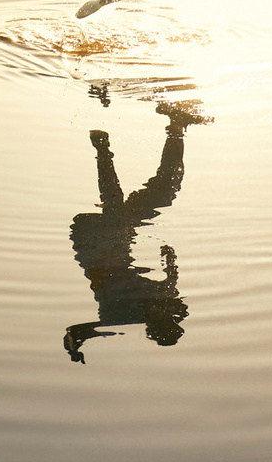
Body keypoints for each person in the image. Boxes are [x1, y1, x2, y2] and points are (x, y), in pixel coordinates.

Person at [62, 103, 202, 363]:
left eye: (161, 319)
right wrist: (169, 260)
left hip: (91, 242)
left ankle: (102, 147)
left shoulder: (120, 315)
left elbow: (81, 331)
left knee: (115, 213)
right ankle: (177, 126)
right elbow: (172, 276)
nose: (162, 312)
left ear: (151, 327)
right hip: (121, 239)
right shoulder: (165, 300)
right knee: (165, 193)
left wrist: (74, 344)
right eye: (168, 315)